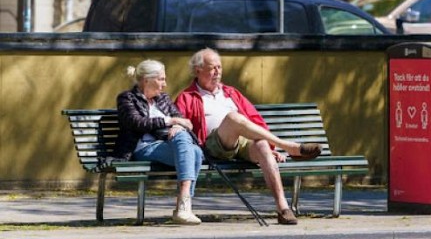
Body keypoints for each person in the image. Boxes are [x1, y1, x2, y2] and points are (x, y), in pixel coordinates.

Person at [175, 48, 322, 225]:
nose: (218, 72)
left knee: (261, 145)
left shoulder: (231, 92)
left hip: (241, 142)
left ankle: (283, 209)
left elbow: (255, 120)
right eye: (212, 68)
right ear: (198, 70)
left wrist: (270, 149)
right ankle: (290, 146)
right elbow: (181, 126)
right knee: (233, 117)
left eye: (220, 67)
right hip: (213, 145)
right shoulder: (187, 96)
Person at [113, 59, 203, 225]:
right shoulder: (127, 98)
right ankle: (183, 207)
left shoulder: (163, 99)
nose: (165, 84)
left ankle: (183, 206)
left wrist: (179, 126)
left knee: (194, 149)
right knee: (193, 151)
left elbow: (185, 122)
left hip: (167, 145)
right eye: (161, 79)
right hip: (142, 148)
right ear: (147, 80)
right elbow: (137, 123)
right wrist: (169, 121)